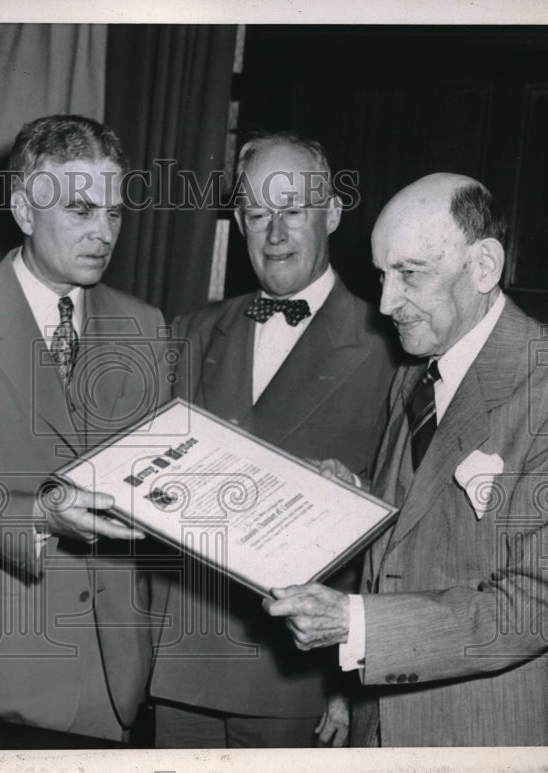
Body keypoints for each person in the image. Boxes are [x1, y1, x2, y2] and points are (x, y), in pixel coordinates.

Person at [263, 173, 548, 746]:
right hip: (384, 720)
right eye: (383, 275)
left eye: (409, 274)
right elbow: (417, 523)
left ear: (483, 266)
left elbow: (536, 606)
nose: (385, 302)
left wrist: (355, 624)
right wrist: (351, 495)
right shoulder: (416, 374)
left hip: (483, 733)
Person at [0, 114, 170, 742]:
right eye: (81, 211)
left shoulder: (144, 324)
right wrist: (45, 513)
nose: (104, 233)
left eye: (114, 213)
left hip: (114, 675)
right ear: (23, 209)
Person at [148, 133, 397, 748]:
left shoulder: (391, 347)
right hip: (184, 659)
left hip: (303, 675)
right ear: (238, 222)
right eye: (257, 214)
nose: (275, 233)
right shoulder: (193, 331)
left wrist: (354, 681)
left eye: (294, 210)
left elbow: (401, 533)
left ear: (333, 213)